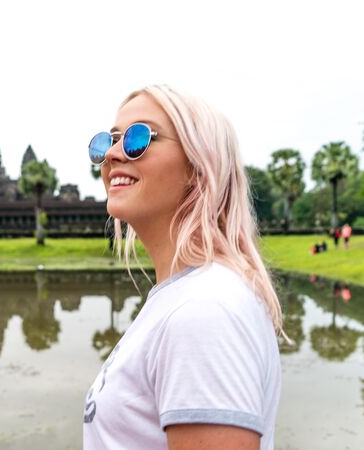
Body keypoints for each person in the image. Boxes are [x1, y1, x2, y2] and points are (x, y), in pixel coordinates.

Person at [83, 84, 282, 450]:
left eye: (137, 138)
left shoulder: (203, 311)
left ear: (197, 165)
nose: (111, 154)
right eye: (108, 140)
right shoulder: (185, 297)